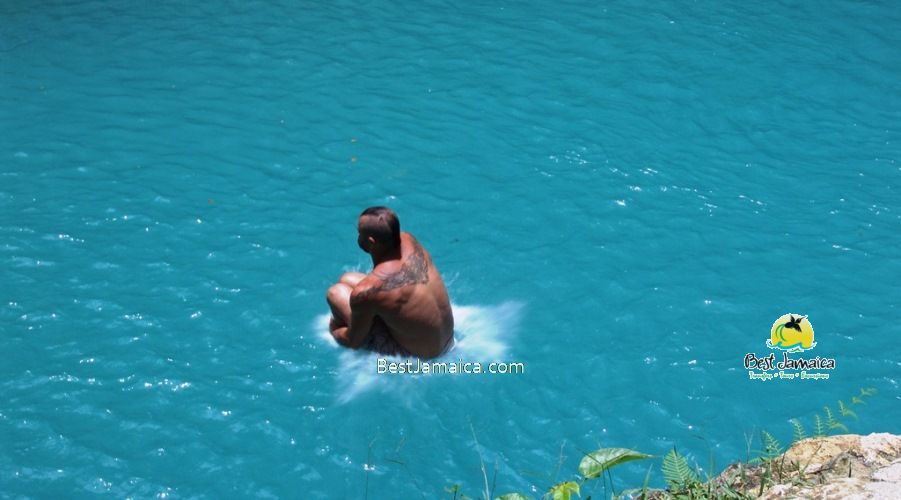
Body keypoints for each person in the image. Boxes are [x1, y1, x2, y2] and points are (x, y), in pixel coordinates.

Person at [326, 207, 454, 359]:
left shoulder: (367, 291)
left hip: (417, 359)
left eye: (359, 233)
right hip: (447, 340)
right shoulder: (410, 240)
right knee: (347, 279)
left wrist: (334, 329)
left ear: (370, 241)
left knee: (335, 293)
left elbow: (353, 342)